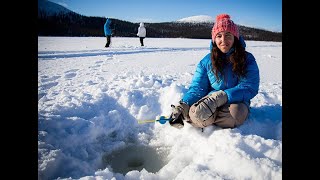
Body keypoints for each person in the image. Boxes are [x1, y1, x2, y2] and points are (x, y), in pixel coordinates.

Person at [169, 14, 260, 129]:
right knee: (196, 113)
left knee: (236, 113)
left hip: (235, 103)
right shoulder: (206, 61)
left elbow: (249, 87)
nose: (223, 40)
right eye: (219, 36)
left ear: (235, 37)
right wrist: (183, 106)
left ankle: (203, 120)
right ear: (214, 39)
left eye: (228, 35)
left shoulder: (247, 59)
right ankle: (201, 117)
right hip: (210, 103)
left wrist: (221, 97)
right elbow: (198, 88)